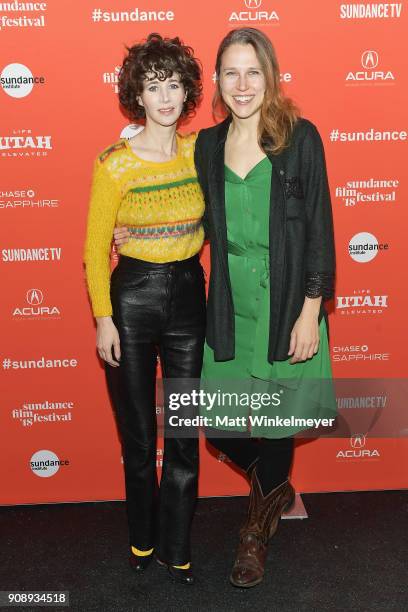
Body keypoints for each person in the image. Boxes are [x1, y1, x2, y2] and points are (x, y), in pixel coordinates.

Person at [114, 27, 336, 589]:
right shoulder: (206, 146)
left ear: (271, 76)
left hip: (286, 300)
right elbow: (174, 199)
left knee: (277, 423)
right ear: (215, 81)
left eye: (252, 72)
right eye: (231, 73)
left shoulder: (299, 138)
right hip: (228, 301)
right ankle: (274, 483)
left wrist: (311, 308)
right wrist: (131, 228)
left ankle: (254, 536)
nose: (242, 85)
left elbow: (319, 230)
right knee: (216, 423)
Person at [83, 33, 206, 585]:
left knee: (182, 431)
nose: (164, 97)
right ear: (137, 93)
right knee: (137, 434)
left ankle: (177, 546)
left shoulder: (200, 150)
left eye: (174, 84)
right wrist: (104, 318)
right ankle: (142, 538)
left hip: (187, 297)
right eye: (153, 86)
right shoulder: (113, 163)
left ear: (187, 92)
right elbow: (92, 248)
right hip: (131, 299)